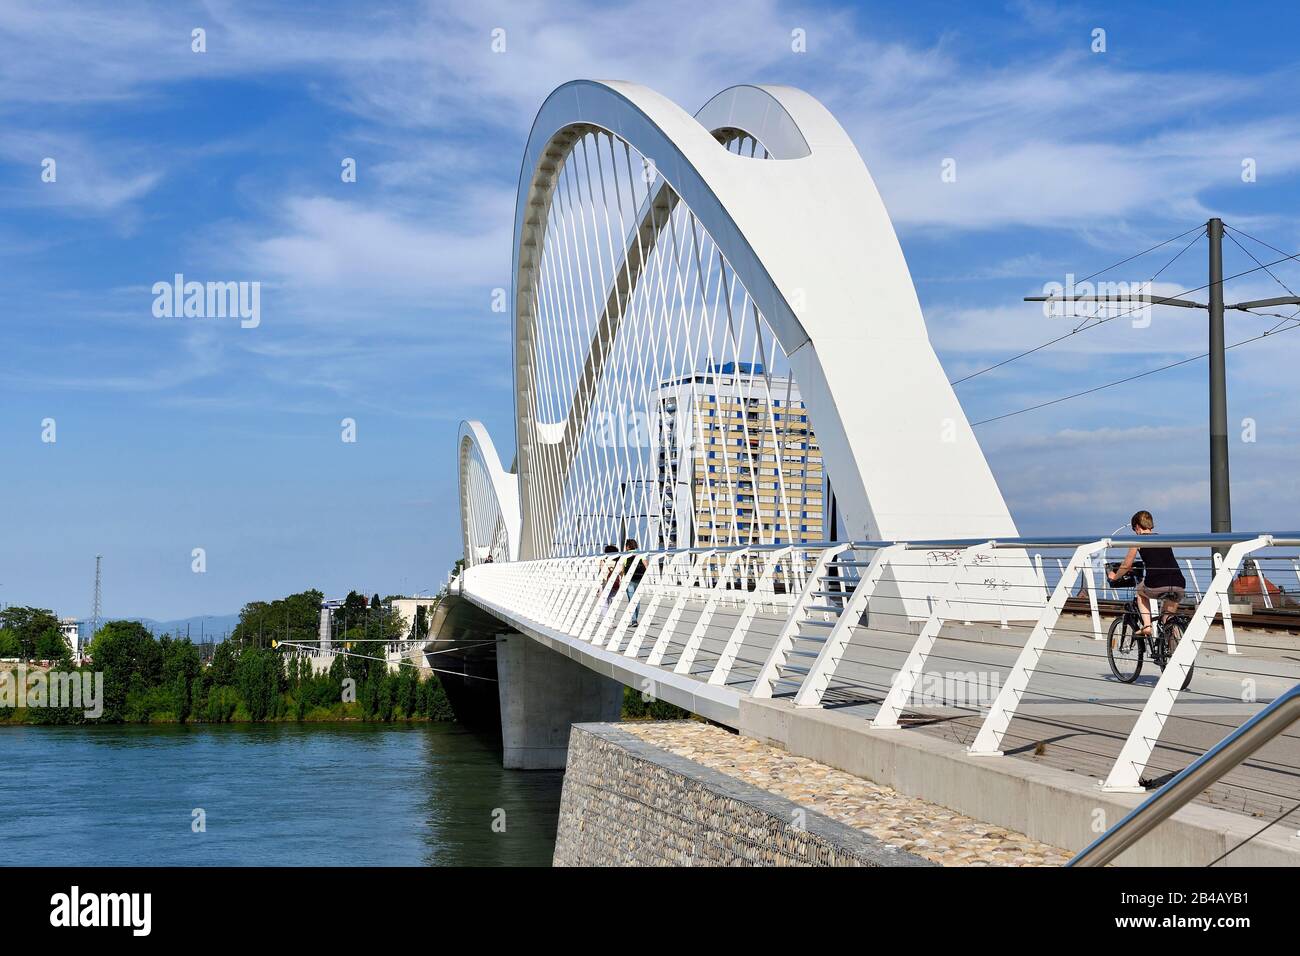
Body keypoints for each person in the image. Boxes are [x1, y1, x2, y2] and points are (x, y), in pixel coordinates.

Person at [1107, 510, 1186, 638]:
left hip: (1158, 583)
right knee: (1167, 620)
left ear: (1137, 526)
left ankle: (1147, 626)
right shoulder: (1163, 538)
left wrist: (1114, 576)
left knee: (1139, 592)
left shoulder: (1137, 540)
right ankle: (1173, 651)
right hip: (1179, 583)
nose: (1135, 532)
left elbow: (1126, 565)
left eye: (1134, 529)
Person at [623, 538, 645, 623]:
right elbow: (646, 564)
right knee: (637, 599)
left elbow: (622, 568)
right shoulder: (641, 554)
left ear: (628, 546)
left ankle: (634, 620)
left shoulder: (625, 555)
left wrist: (622, 577)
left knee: (631, 599)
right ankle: (635, 619)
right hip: (639, 578)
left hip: (629, 580)